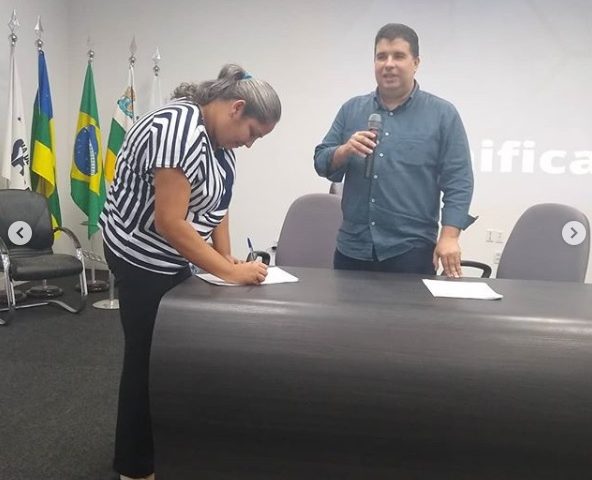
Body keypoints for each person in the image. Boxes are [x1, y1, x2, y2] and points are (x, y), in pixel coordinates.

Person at [100, 64, 281, 480]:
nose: (250, 143)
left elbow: (218, 203)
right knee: (147, 357)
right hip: (140, 254)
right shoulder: (177, 129)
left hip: (176, 254)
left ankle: (170, 447)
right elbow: (170, 222)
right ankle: (135, 467)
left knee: (175, 353)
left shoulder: (220, 140)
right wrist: (229, 274)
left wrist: (226, 258)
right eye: (253, 133)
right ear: (236, 108)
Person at [314, 23, 475, 278]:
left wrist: (449, 236)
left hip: (411, 251)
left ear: (416, 62)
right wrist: (345, 150)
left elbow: (459, 180)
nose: (388, 64)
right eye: (381, 57)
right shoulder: (351, 109)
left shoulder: (442, 115)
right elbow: (321, 162)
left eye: (398, 56)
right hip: (352, 250)